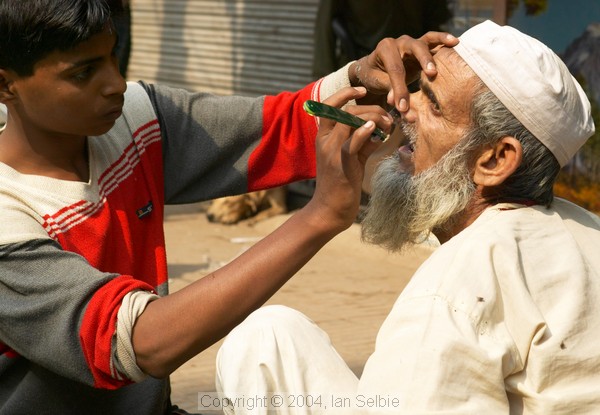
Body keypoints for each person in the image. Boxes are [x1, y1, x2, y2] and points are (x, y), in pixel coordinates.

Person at [0, 0, 457, 413]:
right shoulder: (8, 215)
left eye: (113, 56)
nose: (115, 83)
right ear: (7, 84)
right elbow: (141, 344)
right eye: (82, 73)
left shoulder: (135, 118)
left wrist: (363, 78)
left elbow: (272, 130)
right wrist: (319, 217)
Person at [216, 20, 600, 414]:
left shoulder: (458, 282)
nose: (404, 107)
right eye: (417, 89)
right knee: (269, 340)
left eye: (433, 104)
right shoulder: (587, 230)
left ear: (495, 160)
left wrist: (323, 211)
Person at [312, 0, 452, 79]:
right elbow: (325, 27)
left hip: (413, 68)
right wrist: (323, 83)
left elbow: (436, 19)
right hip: (361, 66)